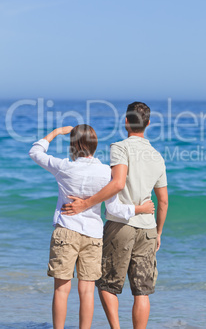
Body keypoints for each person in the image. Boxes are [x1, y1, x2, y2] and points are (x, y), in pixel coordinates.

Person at [29, 124, 154, 329]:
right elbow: (114, 210)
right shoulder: (106, 172)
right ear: (94, 145)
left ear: (73, 145)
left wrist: (56, 132)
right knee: (86, 291)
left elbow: (35, 152)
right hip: (93, 236)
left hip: (66, 230)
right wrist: (139, 209)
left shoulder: (64, 167)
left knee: (61, 290)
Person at [61, 102, 168, 329]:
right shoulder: (158, 156)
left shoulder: (119, 147)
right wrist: (158, 232)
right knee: (142, 291)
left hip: (120, 225)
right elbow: (164, 200)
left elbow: (118, 183)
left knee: (107, 285)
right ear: (148, 124)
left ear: (126, 121)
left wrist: (87, 204)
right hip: (148, 228)